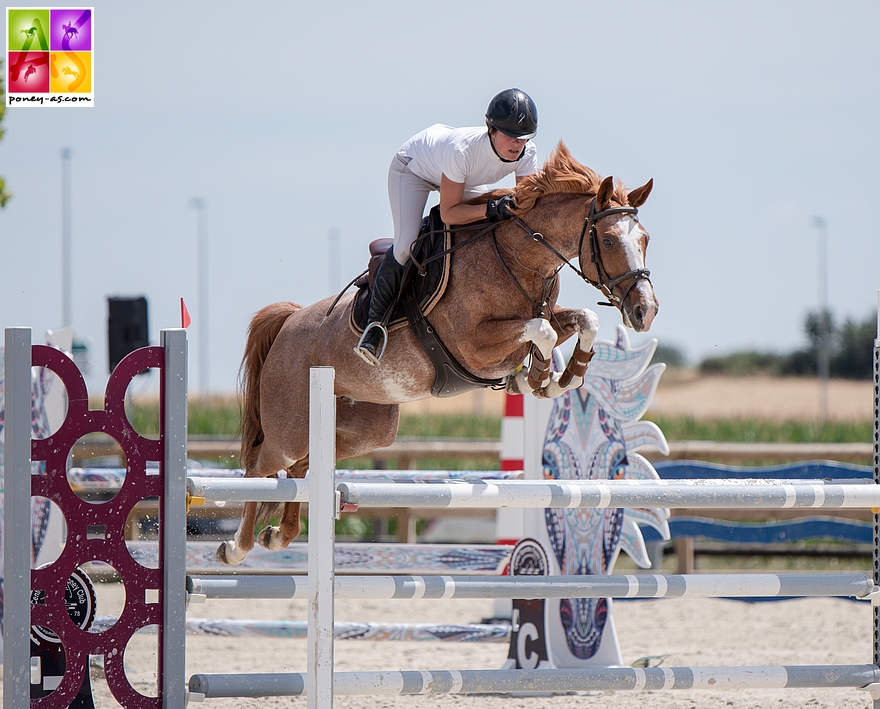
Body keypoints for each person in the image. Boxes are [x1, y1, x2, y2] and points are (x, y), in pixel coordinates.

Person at [354, 88, 539, 366]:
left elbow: (525, 209)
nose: (518, 144)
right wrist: (491, 208)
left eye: (524, 138)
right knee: (406, 245)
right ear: (491, 130)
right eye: (510, 136)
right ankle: (374, 326)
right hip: (413, 169)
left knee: (485, 232)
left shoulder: (527, 153)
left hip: (462, 176)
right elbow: (449, 213)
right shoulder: (463, 150)